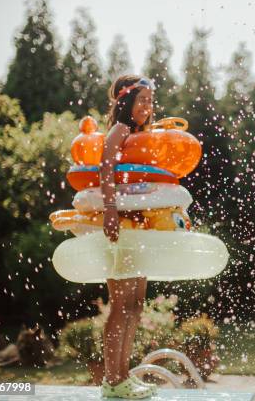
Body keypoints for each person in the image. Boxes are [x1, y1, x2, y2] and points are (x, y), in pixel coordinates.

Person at [100, 75, 157, 399]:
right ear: (126, 103)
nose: (147, 107)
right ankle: (113, 379)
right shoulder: (119, 130)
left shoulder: (139, 136)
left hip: (139, 229)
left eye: (150, 101)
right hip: (120, 225)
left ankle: (124, 376)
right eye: (141, 101)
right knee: (121, 304)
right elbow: (104, 166)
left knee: (136, 304)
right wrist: (110, 210)